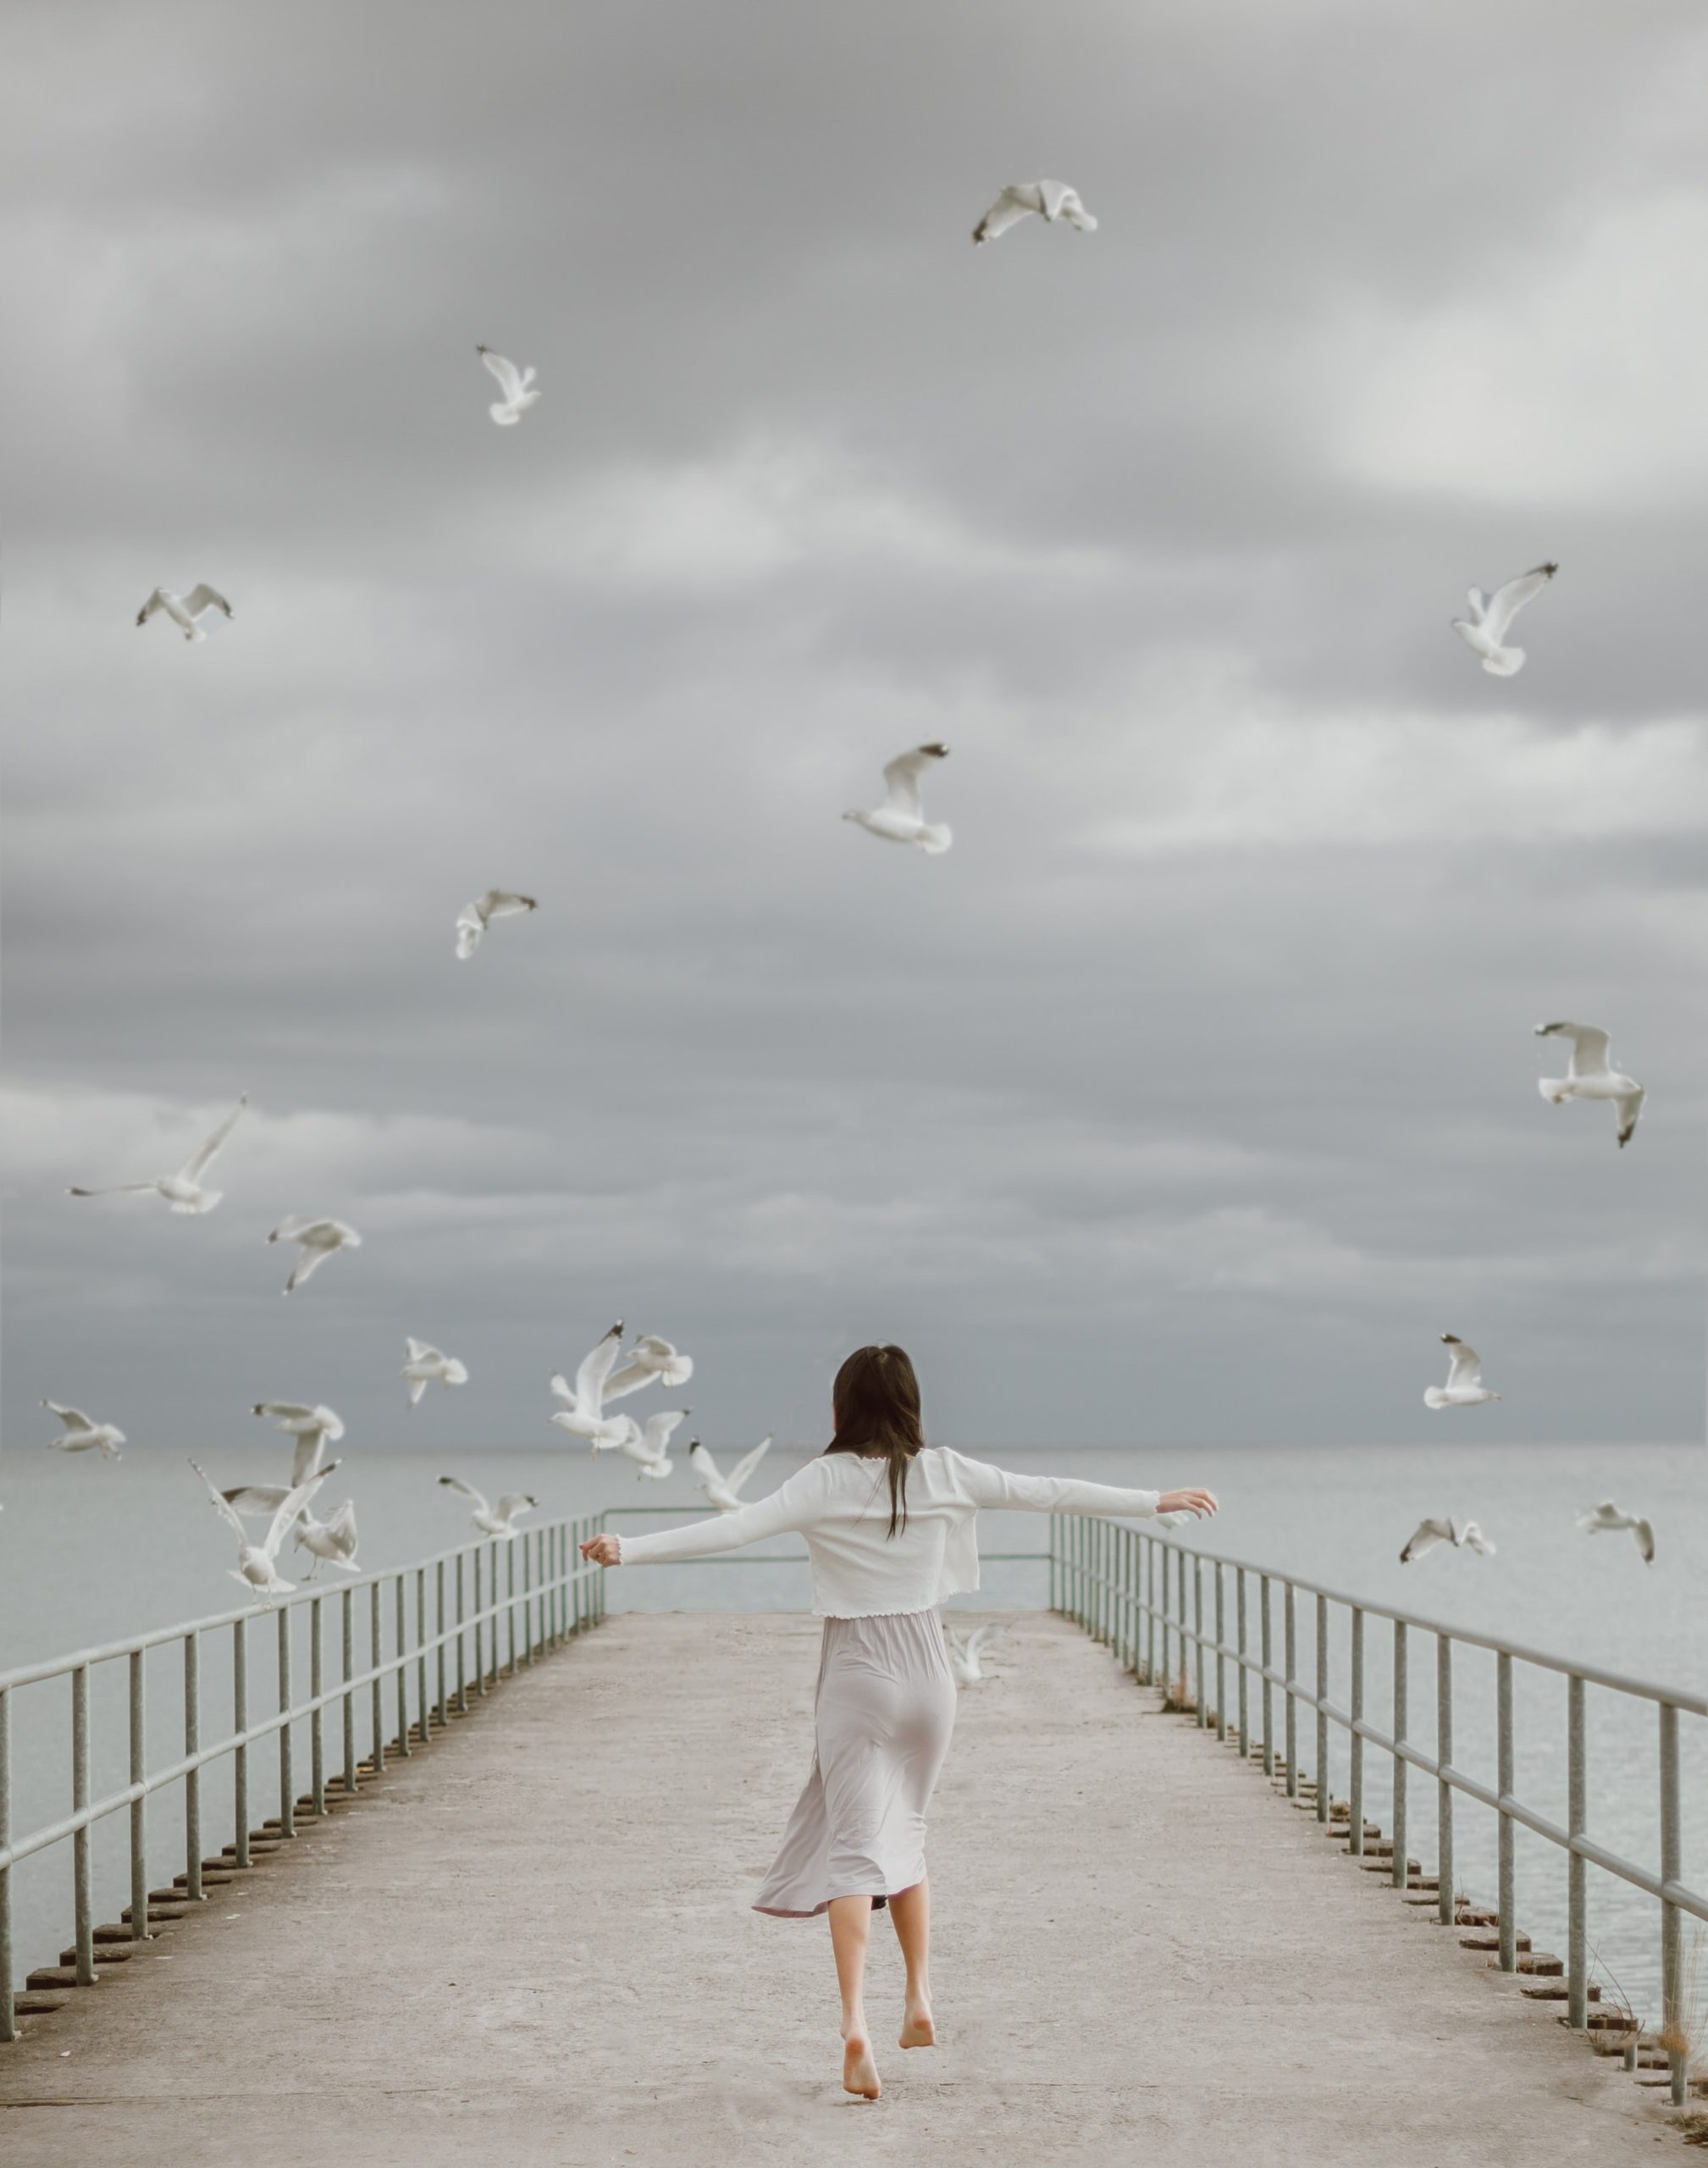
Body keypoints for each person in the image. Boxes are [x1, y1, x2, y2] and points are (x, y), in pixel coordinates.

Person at [579, 1342, 1217, 2101]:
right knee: (907, 1832)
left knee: (852, 1853)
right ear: (912, 1403)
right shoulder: (946, 1471)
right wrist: (1155, 1500)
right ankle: (918, 1999)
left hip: (858, 1671)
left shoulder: (823, 1479)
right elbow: (1045, 1490)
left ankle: (855, 2025)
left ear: (842, 1407)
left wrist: (630, 1548)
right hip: (929, 1672)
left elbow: (734, 1529)